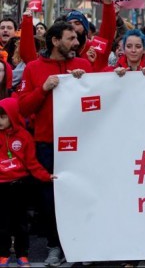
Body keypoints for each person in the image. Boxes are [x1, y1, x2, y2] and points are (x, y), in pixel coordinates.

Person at [17, 21, 91, 267]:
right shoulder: (34, 68)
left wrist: (84, 83)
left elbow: (99, 98)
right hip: (47, 144)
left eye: (76, 38)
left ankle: (82, 244)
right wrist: (44, 89)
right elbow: (24, 107)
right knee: (50, 200)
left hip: (81, 144)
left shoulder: (83, 65)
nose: (77, 43)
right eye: (71, 38)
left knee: (82, 194)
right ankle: (55, 246)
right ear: (55, 41)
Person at [0, 98, 55, 268]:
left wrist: (46, 176)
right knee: (2, 223)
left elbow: (32, 163)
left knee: (21, 223)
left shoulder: (24, 136)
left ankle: (22, 254)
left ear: (12, 116)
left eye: (2, 117)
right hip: (1, 186)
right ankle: (3, 254)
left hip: (20, 185)